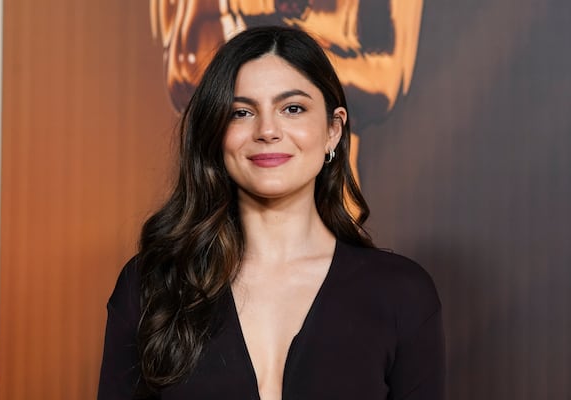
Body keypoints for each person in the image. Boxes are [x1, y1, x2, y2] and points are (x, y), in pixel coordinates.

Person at [98, 26, 445, 400]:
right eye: (242, 112)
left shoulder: (402, 295)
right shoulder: (151, 285)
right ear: (216, 134)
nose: (267, 130)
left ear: (333, 130)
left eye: (292, 108)